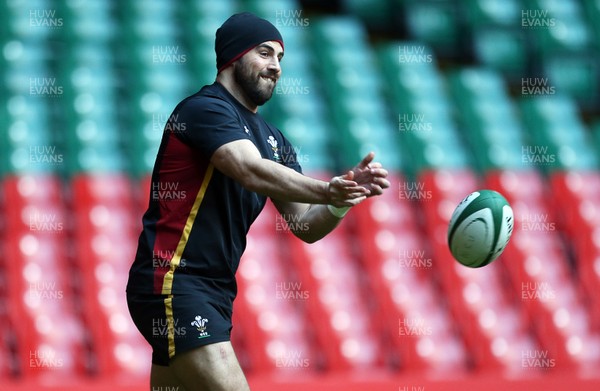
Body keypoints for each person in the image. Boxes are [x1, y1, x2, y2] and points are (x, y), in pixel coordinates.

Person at [126, 12, 390, 390]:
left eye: (281, 58)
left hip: (213, 292)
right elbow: (247, 168)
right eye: (265, 53)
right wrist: (325, 188)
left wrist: (342, 198)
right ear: (234, 57)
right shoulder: (204, 110)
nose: (276, 67)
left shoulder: (274, 139)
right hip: (173, 282)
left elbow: (306, 226)